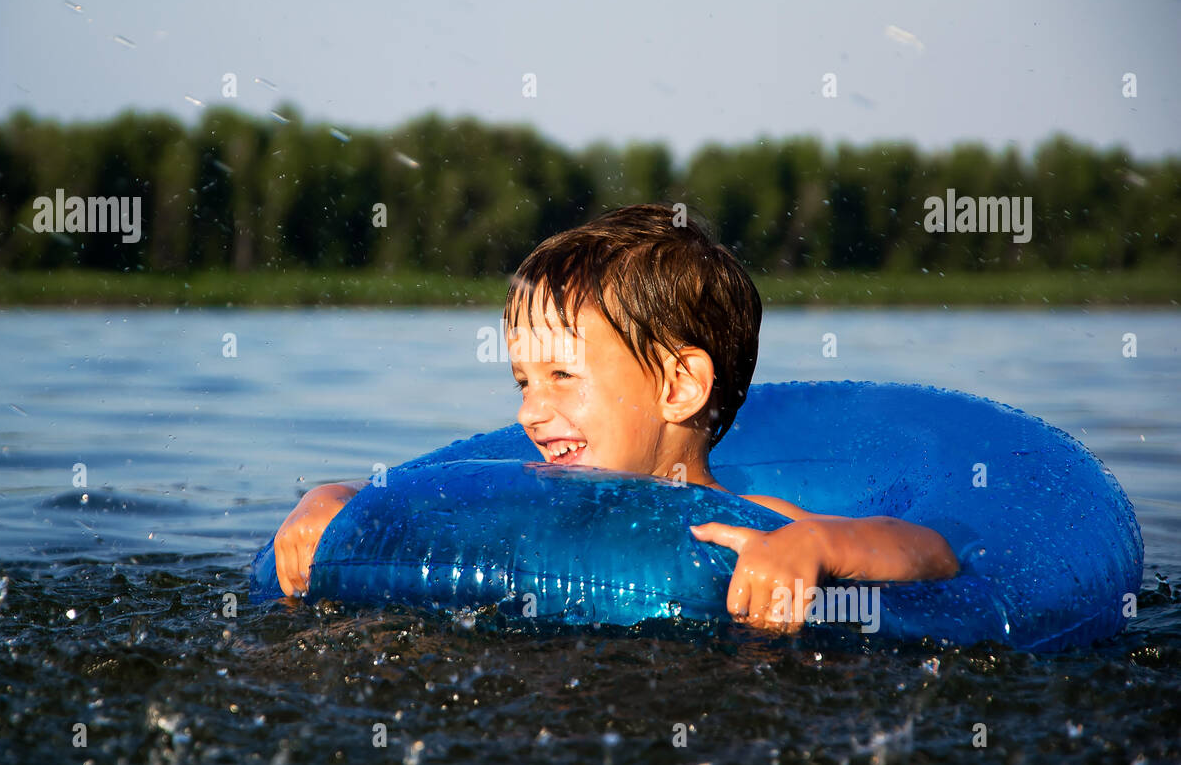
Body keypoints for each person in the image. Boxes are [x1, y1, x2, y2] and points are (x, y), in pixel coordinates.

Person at [272, 203, 958, 629]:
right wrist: (329, 501)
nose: (531, 412)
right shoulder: (527, 504)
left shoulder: (745, 521)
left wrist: (813, 549)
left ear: (679, 385)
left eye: (563, 377)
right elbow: (408, 508)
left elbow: (931, 554)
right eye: (523, 381)